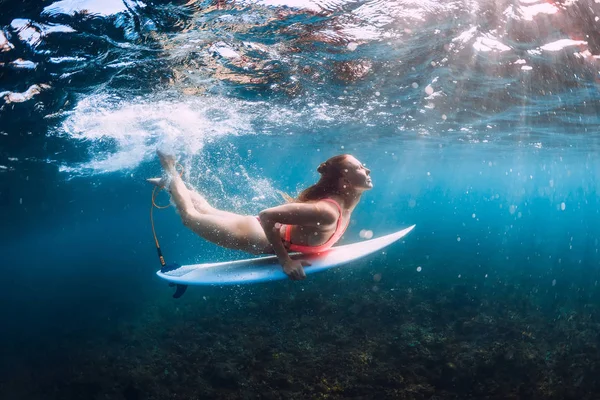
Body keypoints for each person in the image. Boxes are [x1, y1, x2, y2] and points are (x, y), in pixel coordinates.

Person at [149, 151, 372, 280]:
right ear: (345, 182)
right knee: (190, 216)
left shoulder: (344, 205)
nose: (367, 170)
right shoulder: (327, 212)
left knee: (207, 210)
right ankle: (169, 168)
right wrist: (285, 262)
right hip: (251, 235)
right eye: (360, 168)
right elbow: (266, 216)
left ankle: (173, 185)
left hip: (255, 229)